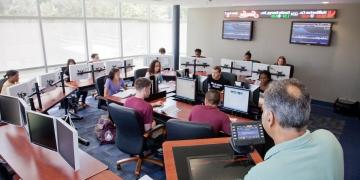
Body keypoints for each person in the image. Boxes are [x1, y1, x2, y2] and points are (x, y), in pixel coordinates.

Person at [245, 79, 344, 180]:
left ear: (270, 118)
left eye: (263, 109)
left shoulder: (261, 174)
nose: (262, 112)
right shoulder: (329, 138)